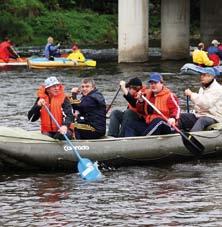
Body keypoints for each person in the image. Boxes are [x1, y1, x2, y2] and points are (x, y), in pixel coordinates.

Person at [124, 73, 180, 137]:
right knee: (130, 124)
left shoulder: (169, 96)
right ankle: (129, 143)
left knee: (158, 121)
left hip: (167, 125)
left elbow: (176, 109)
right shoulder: (147, 94)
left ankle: (144, 140)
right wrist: (140, 101)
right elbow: (140, 111)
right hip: (150, 124)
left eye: (155, 83)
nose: (152, 85)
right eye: (151, 83)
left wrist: (173, 118)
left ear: (161, 83)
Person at [178, 67, 222, 132]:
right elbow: (199, 104)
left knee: (202, 120)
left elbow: (205, 104)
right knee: (181, 117)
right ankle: (175, 133)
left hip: (214, 117)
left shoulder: (217, 89)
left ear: (211, 76)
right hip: (200, 115)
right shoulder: (202, 88)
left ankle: (192, 137)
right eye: (201, 75)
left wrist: (191, 94)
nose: (201, 77)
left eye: (204, 75)